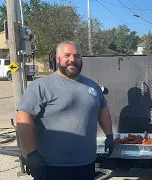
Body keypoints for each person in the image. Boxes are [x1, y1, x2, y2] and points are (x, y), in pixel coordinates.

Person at [15, 41, 114, 180]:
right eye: (67, 55)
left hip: (86, 163)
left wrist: (109, 136)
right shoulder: (41, 86)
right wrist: (31, 153)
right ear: (57, 59)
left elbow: (102, 110)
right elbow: (23, 119)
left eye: (77, 56)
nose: (72, 59)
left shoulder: (92, 86)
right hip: (51, 166)